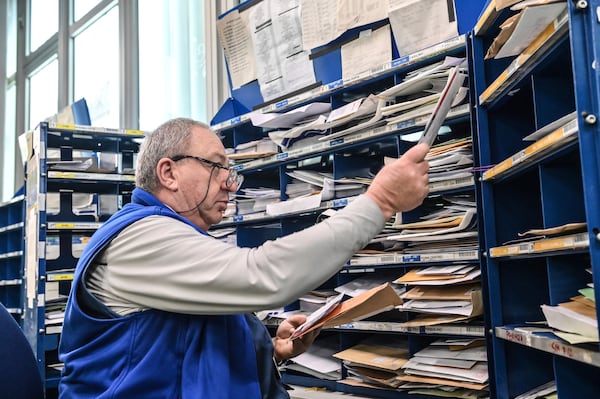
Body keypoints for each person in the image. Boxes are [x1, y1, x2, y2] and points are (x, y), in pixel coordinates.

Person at [58, 117, 429, 398]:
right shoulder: (138, 238)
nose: (229, 183)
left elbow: (185, 351)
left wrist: (271, 352)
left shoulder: (182, 240)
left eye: (229, 171)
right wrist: (380, 202)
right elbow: (264, 274)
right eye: (216, 166)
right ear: (168, 172)